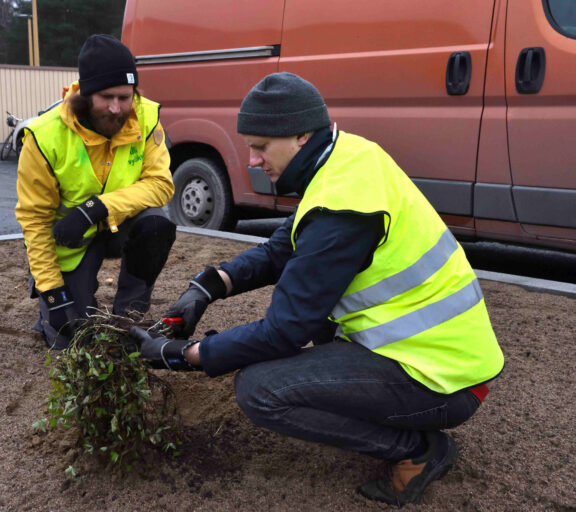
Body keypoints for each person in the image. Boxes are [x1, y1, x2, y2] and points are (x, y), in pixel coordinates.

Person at [129, 72, 504, 506]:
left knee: (260, 391)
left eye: (261, 147)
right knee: (316, 333)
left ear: (301, 136)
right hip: (442, 356)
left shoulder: (341, 210)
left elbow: (283, 332)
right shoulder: (347, 159)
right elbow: (277, 252)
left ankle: (419, 451)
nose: (252, 160)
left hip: (442, 380)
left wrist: (184, 355)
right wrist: (205, 288)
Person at [16, 34, 176, 350]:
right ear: (86, 93)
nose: (117, 109)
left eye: (124, 97)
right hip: (70, 237)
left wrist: (96, 207)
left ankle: (128, 316)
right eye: (106, 97)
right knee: (70, 336)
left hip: (118, 225)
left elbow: (161, 185)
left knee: (157, 224)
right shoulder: (45, 137)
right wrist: (51, 292)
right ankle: (50, 307)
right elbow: (34, 223)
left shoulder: (146, 119)